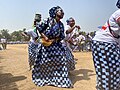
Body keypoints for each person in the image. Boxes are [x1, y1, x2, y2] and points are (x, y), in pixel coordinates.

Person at [32, 6, 73, 88]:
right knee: (45, 62)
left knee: (61, 60)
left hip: (56, 45)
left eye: (63, 12)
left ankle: (60, 79)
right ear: (55, 13)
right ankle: (45, 78)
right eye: (60, 11)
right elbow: (39, 28)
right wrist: (45, 37)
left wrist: (56, 39)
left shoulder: (61, 24)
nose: (62, 13)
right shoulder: (47, 20)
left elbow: (62, 36)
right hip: (46, 45)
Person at [92, 1, 120, 90]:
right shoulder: (119, 13)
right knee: (108, 69)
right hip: (103, 44)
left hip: (106, 43)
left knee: (113, 68)